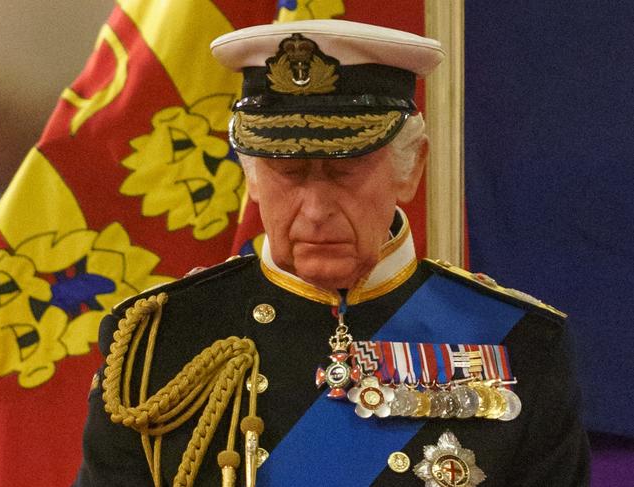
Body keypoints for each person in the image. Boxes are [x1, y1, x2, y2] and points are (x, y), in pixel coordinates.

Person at [74, 20, 589, 486]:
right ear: (251, 176)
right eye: (289, 174)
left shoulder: (524, 343)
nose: (316, 208)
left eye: (345, 171)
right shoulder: (156, 343)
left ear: (409, 169)